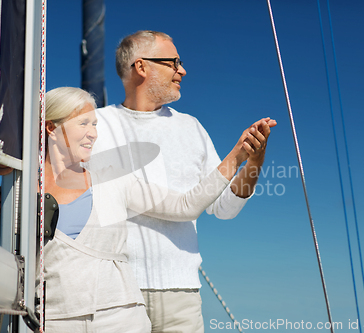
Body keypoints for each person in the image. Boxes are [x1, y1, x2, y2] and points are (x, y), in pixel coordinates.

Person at [0, 86, 268, 332]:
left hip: (121, 318)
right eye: (83, 123)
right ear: (51, 127)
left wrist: (238, 156)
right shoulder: (17, 190)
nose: (93, 134)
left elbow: (187, 206)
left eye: (95, 125)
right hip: (53, 320)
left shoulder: (114, 179)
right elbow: (3, 259)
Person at [91, 30, 277, 332]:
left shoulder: (191, 128)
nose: (182, 70)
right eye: (173, 62)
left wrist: (253, 161)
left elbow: (225, 207)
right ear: (141, 67)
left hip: (181, 295)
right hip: (112, 290)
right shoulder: (96, 126)